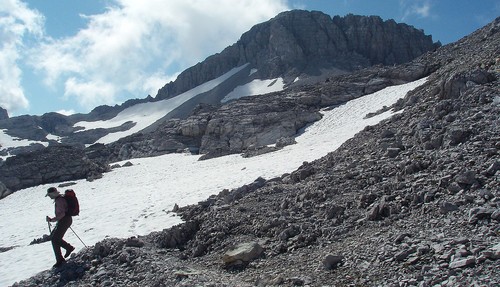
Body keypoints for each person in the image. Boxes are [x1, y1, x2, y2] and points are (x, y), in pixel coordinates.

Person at [46, 187, 75, 268]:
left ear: (53, 193)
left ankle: (68, 249)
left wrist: (52, 220)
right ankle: (60, 258)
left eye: (49, 195)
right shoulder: (60, 199)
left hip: (64, 220)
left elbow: (61, 214)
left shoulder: (59, 201)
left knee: (55, 238)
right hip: (65, 220)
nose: (49, 197)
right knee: (54, 237)